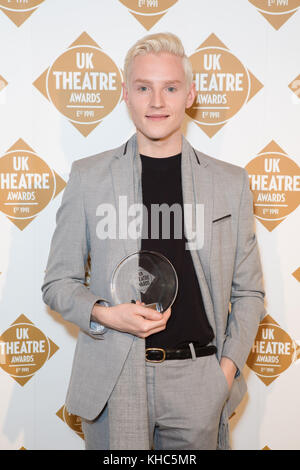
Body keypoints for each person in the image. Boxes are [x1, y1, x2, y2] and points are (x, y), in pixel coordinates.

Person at [41, 32, 265, 450]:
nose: (157, 102)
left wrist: (226, 371)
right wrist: (106, 314)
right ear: (126, 94)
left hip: (199, 379)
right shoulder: (89, 177)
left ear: (190, 94)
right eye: (144, 88)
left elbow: (249, 291)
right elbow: (58, 284)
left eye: (170, 88)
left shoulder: (230, 182)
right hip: (116, 374)